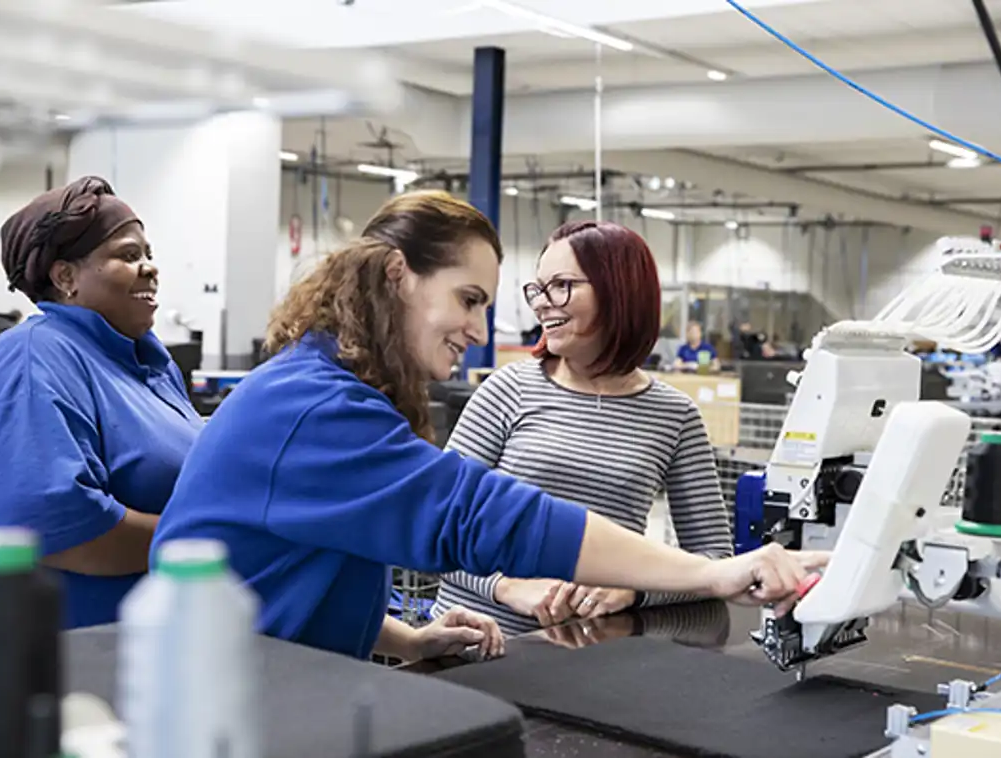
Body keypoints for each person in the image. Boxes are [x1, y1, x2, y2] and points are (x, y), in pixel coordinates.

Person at [150, 190, 827, 664]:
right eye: (467, 299)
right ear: (397, 276)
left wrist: (405, 639)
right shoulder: (314, 408)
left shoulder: (324, 388)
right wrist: (712, 576)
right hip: (234, 700)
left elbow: (299, 569)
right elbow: (482, 515)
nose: (478, 331)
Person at [432, 221, 733, 636]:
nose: (541, 304)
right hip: (476, 647)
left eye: (561, 285)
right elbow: (436, 524)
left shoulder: (674, 415)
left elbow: (713, 559)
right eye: (537, 289)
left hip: (589, 657)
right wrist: (507, 587)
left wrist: (634, 590)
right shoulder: (508, 390)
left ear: (618, 290)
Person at [0, 176, 204, 629]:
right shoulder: (31, 361)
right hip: (49, 659)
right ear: (65, 277)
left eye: (148, 254)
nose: (149, 267)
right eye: (127, 254)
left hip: (148, 641)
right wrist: (208, 542)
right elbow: (56, 531)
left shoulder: (146, 364)